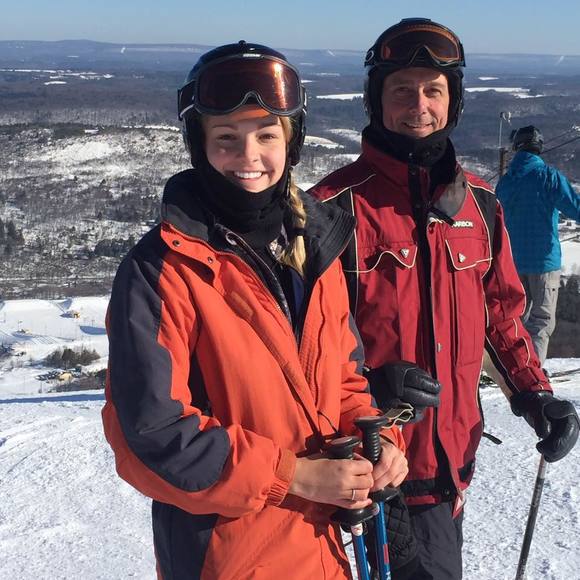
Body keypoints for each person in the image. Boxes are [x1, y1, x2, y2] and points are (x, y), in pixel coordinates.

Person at [101, 41, 411, 580]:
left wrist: (379, 441)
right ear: (199, 146)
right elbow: (150, 435)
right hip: (229, 557)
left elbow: (344, 380)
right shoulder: (163, 270)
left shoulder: (315, 250)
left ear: (292, 143)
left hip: (325, 552)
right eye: (226, 138)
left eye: (267, 136)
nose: (249, 156)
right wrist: (295, 477)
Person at [310, 18, 580, 579]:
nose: (419, 105)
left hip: (451, 468)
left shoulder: (479, 205)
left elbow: (500, 318)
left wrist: (534, 394)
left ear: (452, 101)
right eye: (401, 90)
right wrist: (370, 385)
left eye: (433, 90)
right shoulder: (333, 208)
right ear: (376, 100)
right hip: (368, 469)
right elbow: (302, 347)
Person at [496, 125, 580, 364]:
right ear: (539, 147)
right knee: (541, 321)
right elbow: (575, 207)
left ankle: (513, 369)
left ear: (516, 147)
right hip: (544, 261)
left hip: (511, 262)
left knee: (515, 319)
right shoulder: (549, 177)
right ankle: (533, 372)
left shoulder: (506, 182)